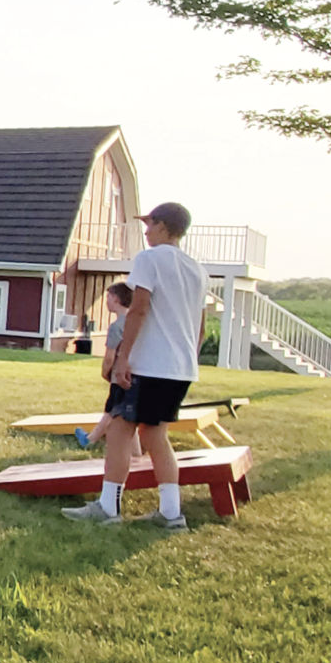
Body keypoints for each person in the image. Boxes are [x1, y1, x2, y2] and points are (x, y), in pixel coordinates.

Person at [65, 203, 206, 529]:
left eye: (150, 224)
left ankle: (108, 507)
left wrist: (124, 357)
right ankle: (172, 514)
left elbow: (139, 310)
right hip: (179, 369)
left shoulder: (149, 260)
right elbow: (200, 327)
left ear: (163, 226)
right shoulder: (197, 269)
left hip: (148, 365)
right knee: (157, 436)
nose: (145, 231)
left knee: (118, 430)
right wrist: (187, 360)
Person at [82, 283, 140, 451]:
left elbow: (109, 357)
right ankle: (136, 453)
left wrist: (105, 372)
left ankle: (90, 440)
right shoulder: (137, 322)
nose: (106, 301)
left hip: (119, 375)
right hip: (138, 373)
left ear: (116, 299)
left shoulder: (116, 327)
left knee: (112, 410)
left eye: (108, 297)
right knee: (127, 416)